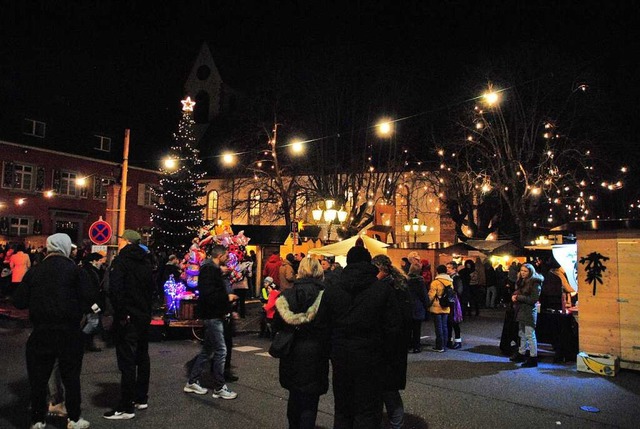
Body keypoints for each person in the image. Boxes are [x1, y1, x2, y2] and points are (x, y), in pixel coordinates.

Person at [14, 233, 97, 429]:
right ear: (66, 248)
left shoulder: (35, 271)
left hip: (41, 331)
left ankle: (37, 419)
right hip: (68, 331)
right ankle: (74, 418)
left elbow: (19, 301)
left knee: (38, 378)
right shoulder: (75, 271)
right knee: (71, 377)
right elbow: (89, 300)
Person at [316, 246, 401, 428]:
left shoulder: (333, 289)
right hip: (371, 357)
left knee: (343, 409)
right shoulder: (382, 290)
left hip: (341, 357)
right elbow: (393, 328)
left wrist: (330, 352)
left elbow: (322, 325)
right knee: (368, 410)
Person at [103, 230, 155, 420]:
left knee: (126, 361)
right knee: (142, 357)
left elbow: (115, 290)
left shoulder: (121, 261)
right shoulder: (146, 262)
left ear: (126, 242)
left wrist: (122, 313)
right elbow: (151, 290)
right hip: (143, 316)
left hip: (128, 318)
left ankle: (126, 407)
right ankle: (141, 398)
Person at [274, 257, 328, 429]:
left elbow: (276, 324)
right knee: (310, 401)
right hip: (316, 352)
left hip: (292, 349)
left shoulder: (288, 295)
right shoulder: (325, 296)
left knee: (294, 395)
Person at [183, 245, 238, 400]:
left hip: (213, 313)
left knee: (207, 350)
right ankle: (219, 387)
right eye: (226, 254)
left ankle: (192, 381)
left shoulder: (211, 269)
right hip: (213, 315)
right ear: (219, 256)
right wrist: (227, 298)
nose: (228, 257)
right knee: (221, 350)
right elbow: (210, 294)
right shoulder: (210, 271)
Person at [372, 255, 411, 429]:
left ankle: (395, 424)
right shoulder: (399, 285)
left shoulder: (386, 288)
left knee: (387, 391)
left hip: (388, 346)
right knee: (387, 390)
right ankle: (395, 423)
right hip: (395, 346)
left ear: (383, 269)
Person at [510, 263, 543, 368]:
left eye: (525, 271)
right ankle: (521, 352)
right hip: (521, 310)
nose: (523, 273)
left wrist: (518, 297)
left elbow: (533, 300)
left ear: (530, 272)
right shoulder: (522, 281)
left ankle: (533, 357)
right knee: (522, 333)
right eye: (522, 270)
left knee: (530, 334)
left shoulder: (535, 283)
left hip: (529, 311)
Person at [81, 252, 105, 352]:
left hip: (91, 301)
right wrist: (95, 304)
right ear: (94, 261)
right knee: (93, 322)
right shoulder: (90, 272)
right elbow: (90, 289)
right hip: (92, 302)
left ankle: (88, 344)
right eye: (99, 261)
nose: (101, 263)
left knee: (91, 321)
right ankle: (81, 340)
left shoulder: (88, 270)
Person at [428, 265, 452, 352]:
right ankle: (445, 345)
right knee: (445, 326)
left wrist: (427, 303)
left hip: (437, 307)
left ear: (437, 271)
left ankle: (439, 346)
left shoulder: (435, 282)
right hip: (446, 306)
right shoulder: (450, 281)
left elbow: (431, 295)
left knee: (438, 327)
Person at [406, 263, 428, 353]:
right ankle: (416, 346)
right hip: (417, 306)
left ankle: (407, 345)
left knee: (407, 328)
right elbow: (423, 295)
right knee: (417, 328)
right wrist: (426, 305)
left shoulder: (404, 280)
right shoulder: (420, 281)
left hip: (407, 306)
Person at [446, 261, 463, 349]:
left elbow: (459, 291)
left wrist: (450, 292)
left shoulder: (456, 278)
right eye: (447, 267)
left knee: (454, 322)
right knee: (448, 321)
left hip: (455, 302)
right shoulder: (448, 277)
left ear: (454, 269)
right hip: (450, 302)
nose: (447, 269)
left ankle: (458, 341)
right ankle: (449, 339)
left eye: (449, 267)